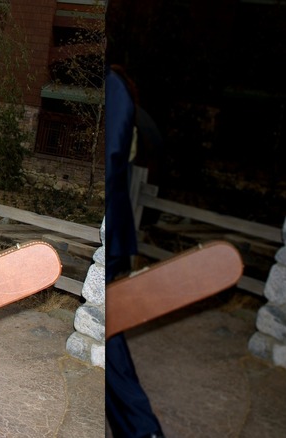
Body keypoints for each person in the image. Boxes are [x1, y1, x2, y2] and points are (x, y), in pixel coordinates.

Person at [105, 64, 165, 438]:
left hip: (110, 229)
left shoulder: (113, 84)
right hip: (113, 230)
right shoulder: (114, 82)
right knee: (111, 339)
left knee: (111, 339)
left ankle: (144, 431)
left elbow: (112, 156)